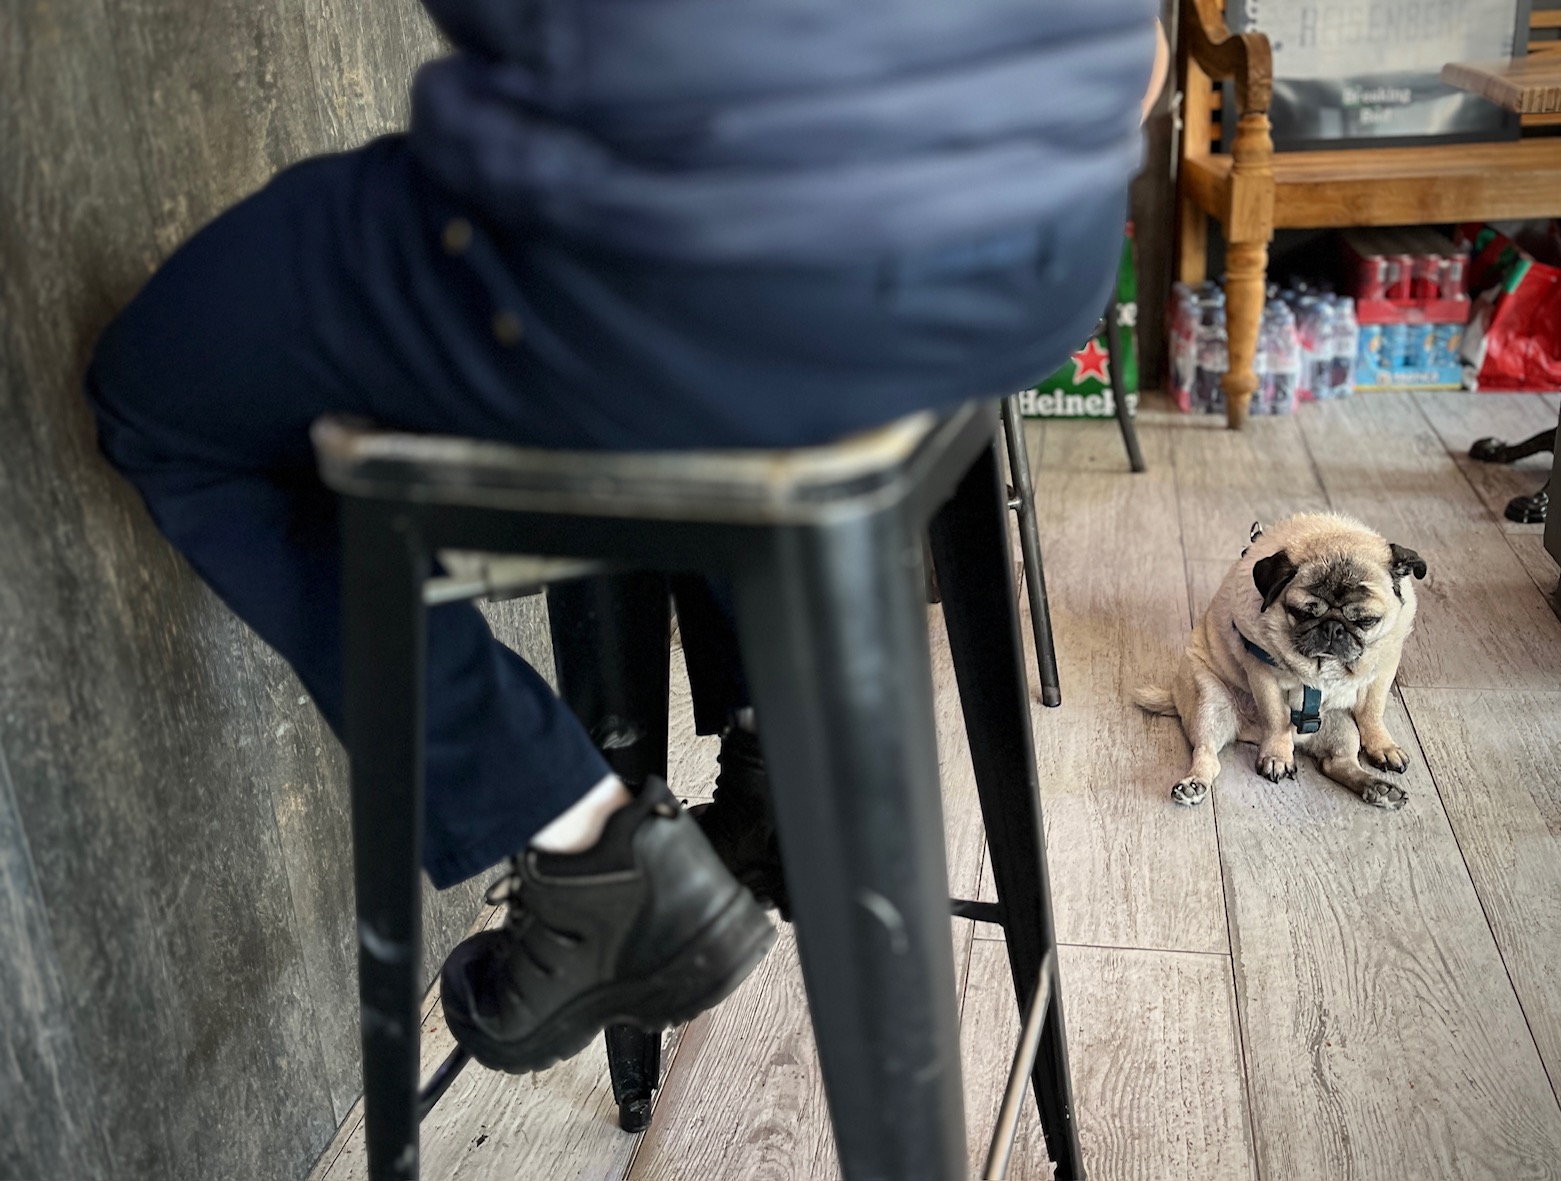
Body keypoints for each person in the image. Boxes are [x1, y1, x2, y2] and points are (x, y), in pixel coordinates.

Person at [84, 0, 1162, 1074]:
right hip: (1043, 252)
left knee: (167, 397)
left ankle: (577, 842)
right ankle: (775, 774)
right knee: (745, 353)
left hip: (710, 261)